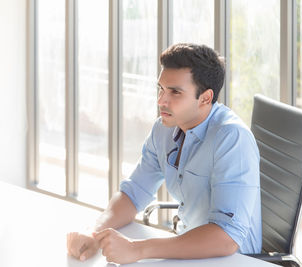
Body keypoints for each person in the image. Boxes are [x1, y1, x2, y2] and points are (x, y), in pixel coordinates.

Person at [66, 43, 261, 264]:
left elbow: (226, 238)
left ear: (206, 98)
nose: (161, 101)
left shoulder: (232, 138)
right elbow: (135, 192)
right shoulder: (164, 128)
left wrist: (136, 249)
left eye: (175, 92)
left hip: (234, 260)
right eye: (161, 89)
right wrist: (94, 233)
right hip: (186, 254)